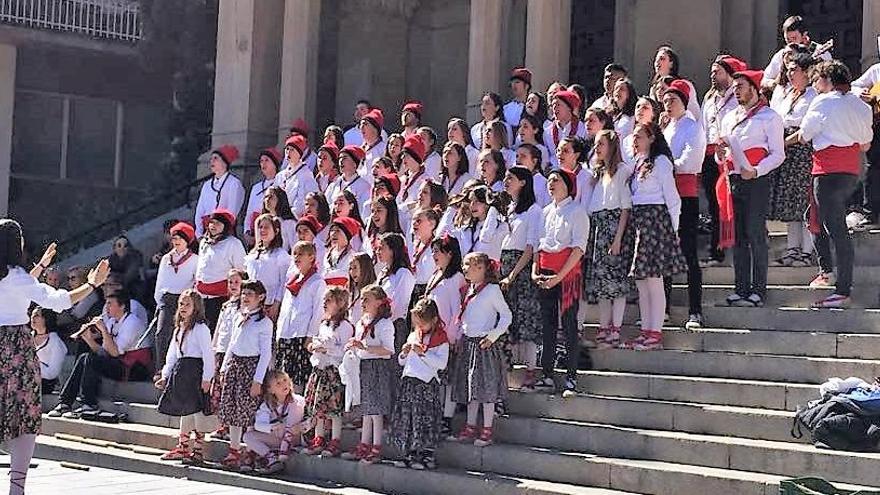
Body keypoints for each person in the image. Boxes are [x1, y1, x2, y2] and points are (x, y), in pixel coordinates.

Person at [0, 219, 109, 495]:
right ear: (17, 245)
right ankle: (16, 488)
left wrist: (41, 267)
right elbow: (58, 301)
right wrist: (92, 284)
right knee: (24, 415)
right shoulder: (19, 278)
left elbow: (20, 287)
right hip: (14, 347)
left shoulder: (18, 278)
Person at [798, 60, 873, 308]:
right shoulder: (860, 104)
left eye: (817, 81)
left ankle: (842, 290)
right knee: (816, 216)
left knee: (836, 229)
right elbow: (865, 141)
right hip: (850, 171)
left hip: (827, 171)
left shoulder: (823, 101)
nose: (815, 87)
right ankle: (827, 272)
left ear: (827, 79)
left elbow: (805, 133)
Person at [717, 69, 785, 308]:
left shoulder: (770, 117)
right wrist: (720, 155)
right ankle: (740, 288)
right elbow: (725, 152)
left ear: (754, 89)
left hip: (756, 180)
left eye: (740, 86)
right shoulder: (729, 117)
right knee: (739, 237)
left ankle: (758, 290)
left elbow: (778, 155)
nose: (736, 91)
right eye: (734, 87)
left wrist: (756, 170)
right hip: (734, 179)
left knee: (756, 234)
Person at [625, 123, 686, 350]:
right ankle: (645, 330)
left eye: (639, 136)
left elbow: (673, 198)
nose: (635, 140)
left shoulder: (660, 162)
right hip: (640, 221)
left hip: (656, 220)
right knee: (642, 280)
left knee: (654, 280)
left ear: (651, 138)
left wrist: (674, 230)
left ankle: (655, 333)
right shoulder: (638, 163)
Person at [50, 290, 152, 417]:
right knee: (84, 357)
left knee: (92, 360)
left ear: (122, 306)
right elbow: (103, 352)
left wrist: (103, 329)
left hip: (134, 368)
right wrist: (88, 338)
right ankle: (65, 402)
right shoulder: (112, 321)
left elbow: (114, 353)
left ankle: (89, 403)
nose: (107, 307)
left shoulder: (132, 322)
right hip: (120, 362)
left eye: (110, 304)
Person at [534, 169, 588, 395]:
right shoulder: (545, 212)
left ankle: (571, 377)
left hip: (566, 274)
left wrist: (560, 276)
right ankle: (546, 373)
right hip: (545, 271)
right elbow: (538, 244)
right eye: (549, 180)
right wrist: (535, 271)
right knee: (546, 325)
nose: (551, 184)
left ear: (567, 184)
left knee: (568, 325)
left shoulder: (577, 211)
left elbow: (578, 248)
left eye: (556, 180)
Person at [450, 252, 512, 447]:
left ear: (481, 268)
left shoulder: (492, 290)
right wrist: (460, 335)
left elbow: (506, 316)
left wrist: (492, 336)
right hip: (469, 344)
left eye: (469, 265)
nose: (465, 268)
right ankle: (470, 426)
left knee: (486, 389)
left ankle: (486, 429)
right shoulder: (470, 289)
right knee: (471, 388)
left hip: (484, 345)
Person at [662, 79, 708, 329]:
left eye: (673, 100)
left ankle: (695, 311)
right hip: (667, 195)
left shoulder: (693, 127)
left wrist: (665, 166)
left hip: (686, 195)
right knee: (667, 253)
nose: (668, 105)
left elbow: (689, 161)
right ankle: (664, 307)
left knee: (688, 253)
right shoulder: (667, 128)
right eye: (666, 100)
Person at [768, 53, 818, 267]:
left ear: (806, 72)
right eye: (788, 69)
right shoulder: (787, 94)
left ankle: (807, 251)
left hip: (802, 152)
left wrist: (785, 142)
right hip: (786, 152)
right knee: (790, 202)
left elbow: (806, 128)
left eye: (794, 69)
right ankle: (792, 249)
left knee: (804, 202)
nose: (789, 73)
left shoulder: (813, 96)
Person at [217, 280, 273, 470]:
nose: (245, 297)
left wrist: (258, 380)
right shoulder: (239, 317)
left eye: (250, 294)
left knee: (248, 410)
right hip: (236, 365)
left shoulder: (264, 323)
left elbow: (266, 353)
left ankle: (251, 452)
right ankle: (234, 450)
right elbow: (232, 344)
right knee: (232, 409)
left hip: (251, 367)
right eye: (244, 293)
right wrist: (225, 367)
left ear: (261, 297)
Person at [155, 290, 216, 465]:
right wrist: (166, 374)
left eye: (187, 304)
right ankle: (183, 445)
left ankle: (198, 448)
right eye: (181, 304)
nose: (183, 307)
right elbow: (172, 355)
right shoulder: (179, 329)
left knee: (197, 410)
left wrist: (207, 378)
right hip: (181, 372)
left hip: (195, 371)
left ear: (196, 307)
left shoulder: (201, 328)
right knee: (185, 409)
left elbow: (207, 354)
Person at [586, 130, 633, 350]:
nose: (597, 148)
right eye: (596, 144)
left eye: (601, 144)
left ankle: (616, 326)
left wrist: (617, 239)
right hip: (599, 227)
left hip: (614, 227)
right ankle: (604, 326)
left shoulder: (622, 171)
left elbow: (625, 208)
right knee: (602, 283)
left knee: (616, 282)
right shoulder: (598, 173)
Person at [390, 297, 449, 470]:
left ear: (434, 320)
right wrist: (404, 353)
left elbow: (441, 364)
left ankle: (426, 454)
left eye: (423, 323)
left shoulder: (441, 339)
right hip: (409, 383)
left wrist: (423, 353)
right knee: (409, 419)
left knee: (425, 419)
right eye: (417, 323)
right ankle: (409, 453)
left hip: (426, 385)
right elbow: (403, 362)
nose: (420, 327)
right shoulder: (414, 335)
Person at [340, 284, 395, 464]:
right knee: (366, 407)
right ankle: (364, 443)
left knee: (376, 409)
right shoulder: (361, 321)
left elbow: (388, 350)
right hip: (362, 365)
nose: (363, 303)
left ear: (379, 302)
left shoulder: (385, 324)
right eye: (362, 299)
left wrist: (365, 347)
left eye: (367, 299)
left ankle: (376, 445)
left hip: (378, 367)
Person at [499, 167, 543, 391]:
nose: (506, 182)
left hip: (521, 271)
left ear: (524, 182)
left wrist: (513, 274)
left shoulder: (534, 211)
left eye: (511, 178)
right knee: (511, 320)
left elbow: (530, 246)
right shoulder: (508, 209)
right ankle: (511, 369)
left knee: (526, 321)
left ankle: (530, 369)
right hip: (505, 264)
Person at [701, 55, 747, 266]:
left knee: (733, 202)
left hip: (728, 153)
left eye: (717, 71)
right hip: (709, 154)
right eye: (711, 71)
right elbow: (704, 125)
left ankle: (737, 246)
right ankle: (716, 250)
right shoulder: (709, 98)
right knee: (714, 203)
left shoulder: (736, 97)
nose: (712, 75)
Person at [303, 286, 354, 457]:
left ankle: (335, 439)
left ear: (340, 303)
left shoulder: (345, 326)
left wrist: (327, 349)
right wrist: (314, 346)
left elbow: (344, 350)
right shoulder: (324, 324)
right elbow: (317, 341)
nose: (324, 303)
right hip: (320, 369)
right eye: (324, 300)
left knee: (334, 407)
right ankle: (319, 437)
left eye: (329, 300)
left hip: (334, 372)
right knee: (319, 406)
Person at [424, 234, 465, 435]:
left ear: (450, 254)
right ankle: (435, 414)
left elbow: (457, 310)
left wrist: (452, 336)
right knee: (437, 379)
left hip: (446, 337)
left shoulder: (457, 278)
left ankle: (447, 418)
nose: (434, 255)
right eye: (433, 251)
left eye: (438, 251)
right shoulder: (435, 275)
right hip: (430, 336)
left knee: (448, 381)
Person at [276, 241, 326, 392]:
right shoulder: (292, 280)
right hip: (287, 334)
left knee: (299, 378)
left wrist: (311, 335)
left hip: (302, 335)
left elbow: (318, 311)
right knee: (284, 376)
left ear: (311, 257)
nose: (296, 257)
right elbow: (285, 309)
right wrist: (279, 332)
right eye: (295, 254)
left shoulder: (317, 282)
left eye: (301, 254)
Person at [152, 222, 198, 372]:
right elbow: (160, 282)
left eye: (180, 239)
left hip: (183, 299)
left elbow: (196, 282)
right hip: (167, 298)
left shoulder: (194, 259)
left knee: (181, 333)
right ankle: (161, 369)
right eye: (174, 238)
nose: (176, 242)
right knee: (161, 333)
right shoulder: (166, 259)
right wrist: (159, 302)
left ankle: (178, 368)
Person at [242, 370, 308, 474]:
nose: (284, 384)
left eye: (285, 380)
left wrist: (287, 428)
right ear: (270, 390)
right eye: (278, 383)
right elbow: (258, 424)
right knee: (247, 436)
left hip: (295, 437)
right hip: (277, 436)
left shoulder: (297, 400)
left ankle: (284, 449)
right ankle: (272, 459)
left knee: (295, 408)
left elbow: (301, 422)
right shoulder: (267, 405)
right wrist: (272, 427)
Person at [209, 268, 248, 441]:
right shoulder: (226, 305)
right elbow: (219, 328)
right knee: (218, 390)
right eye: (230, 282)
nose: (232, 285)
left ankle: (235, 427)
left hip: (234, 352)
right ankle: (222, 425)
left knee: (231, 390)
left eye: (236, 282)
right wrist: (214, 346)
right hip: (220, 350)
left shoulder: (244, 307)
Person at [195, 208, 246, 329]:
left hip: (220, 297)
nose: (213, 225)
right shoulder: (204, 243)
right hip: (202, 297)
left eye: (218, 223)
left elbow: (241, 270)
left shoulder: (233, 244)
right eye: (212, 222)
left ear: (226, 227)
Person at [762, 16, 832, 89]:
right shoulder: (781, 55)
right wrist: (775, 84)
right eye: (787, 40)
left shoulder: (821, 53)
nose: (790, 43)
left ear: (804, 35)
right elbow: (765, 80)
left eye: (794, 38)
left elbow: (829, 81)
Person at [244, 215, 291, 321]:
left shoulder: (280, 254)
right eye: (260, 227)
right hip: (252, 305)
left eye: (267, 227)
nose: (262, 230)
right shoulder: (253, 254)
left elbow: (284, 282)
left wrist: (276, 304)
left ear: (276, 230)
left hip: (270, 305)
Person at [376, 233, 417, 351]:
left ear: (393, 250)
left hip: (394, 326)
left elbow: (399, 305)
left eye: (381, 248)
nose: (378, 251)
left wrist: (384, 322)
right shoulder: (383, 272)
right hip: (380, 323)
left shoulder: (403, 274)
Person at [194, 145, 246, 237]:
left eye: (215, 158)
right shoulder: (207, 185)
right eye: (211, 158)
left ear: (224, 163)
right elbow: (200, 210)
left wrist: (220, 230)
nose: (212, 161)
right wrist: (199, 232)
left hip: (224, 232)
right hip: (207, 232)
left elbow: (232, 211)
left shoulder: (234, 183)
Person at [650, 45, 701, 121]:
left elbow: (694, 113)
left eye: (662, 59)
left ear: (671, 63)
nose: (657, 62)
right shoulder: (653, 89)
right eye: (656, 60)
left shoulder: (685, 85)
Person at [244, 148, 282, 244]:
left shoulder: (280, 185)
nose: (263, 164)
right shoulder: (256, 187)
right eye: (261, 161)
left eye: (267, 160)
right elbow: (249, 212)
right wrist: (247, 231)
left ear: (274, 163)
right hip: (255, 231)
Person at [543, 89, 587, 169]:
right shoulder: (547, 131)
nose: (554, 108)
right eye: (553, 105)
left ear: (569, 108)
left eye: (558, 104)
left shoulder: (582, 128)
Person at [279, 134, 319, 218]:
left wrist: (288, 216)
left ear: (299, 153)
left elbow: (302, 203)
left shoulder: (306, 175)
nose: (288, 152)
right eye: (287, 149)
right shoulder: (280, 175)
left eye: (292, 150)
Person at [31, 306, 67, 394]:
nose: (32, 318)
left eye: (37, 315)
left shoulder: (55, 342)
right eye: (32, 315)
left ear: (46, 319)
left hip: (45, 383)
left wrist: (33, 366)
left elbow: (52, 373)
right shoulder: (27, 337)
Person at [322, 216, 360, 287]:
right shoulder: (327, 254)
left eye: (338, 231)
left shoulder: (352, 256)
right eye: (332, 230)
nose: (333, 234)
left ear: (347, 235)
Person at [331, 145, 372, 211]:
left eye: (344, 158)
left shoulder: (364, 186)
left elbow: (364, 210)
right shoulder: (335, 184)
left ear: (355, 163)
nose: (341, 161)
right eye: (340, 158)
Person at [261, 186, 298, 253]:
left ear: (280, 200)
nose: (267, 200)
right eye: (266, 197)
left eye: (271, 197)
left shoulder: (289, 223)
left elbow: (294, 248)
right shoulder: (262, 222)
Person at [398, 135, 430, 211]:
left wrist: (405, 207)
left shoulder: (425, 180)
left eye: (407, 155)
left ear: (416, 159)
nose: (402, 158)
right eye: (402, 155)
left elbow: (423, 202)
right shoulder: (403, 179)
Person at [516, 143, 551, 208]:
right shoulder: (515, 181)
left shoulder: (543, 184)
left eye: (523, 156)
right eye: (517, 156)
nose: (518, 160)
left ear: (534, 161)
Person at [348, 252, 377, 326]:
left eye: (355, 267)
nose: (352, 272)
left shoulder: (374, 290)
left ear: (364, 268)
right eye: (350, 268)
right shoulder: (352, 289)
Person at [360, 108, 387, 180]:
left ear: (375, 128)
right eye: (361, 124)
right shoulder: (361, 149)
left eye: (365, 124)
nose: (361, 127)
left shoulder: (384, 149)